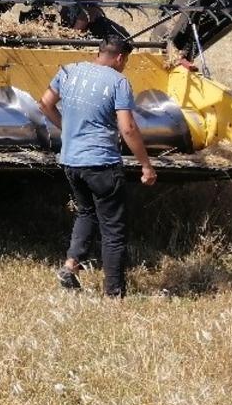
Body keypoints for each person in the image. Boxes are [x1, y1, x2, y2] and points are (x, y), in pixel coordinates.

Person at [39, 36, 157, 297]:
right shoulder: (118, 82)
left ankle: (70, 266)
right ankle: (114, 294)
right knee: (114, 231)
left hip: (71, 161)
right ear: (119, 58)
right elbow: (127, 127)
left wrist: (66, 127)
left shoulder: (68, 71)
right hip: (102, 163)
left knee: (86, 213)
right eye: (125, 61)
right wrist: (146, 165)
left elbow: (45, 103)